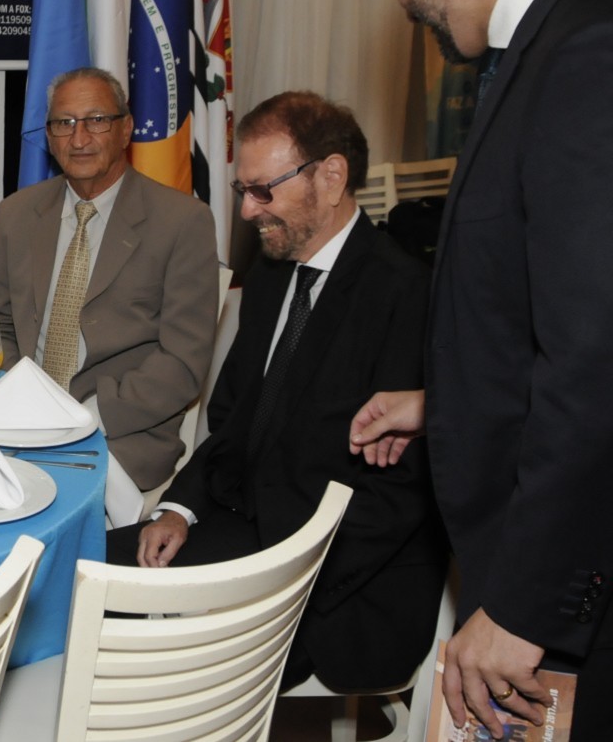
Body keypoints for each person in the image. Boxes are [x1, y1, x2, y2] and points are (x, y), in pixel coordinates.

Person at [350, 0, 613, 736]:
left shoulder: (587, 52)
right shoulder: (548, 42)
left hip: (557, 586)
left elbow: (596, 361)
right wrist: (444, 403)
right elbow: (537, 305)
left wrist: (526, 604)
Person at [108, 91, 445, 690]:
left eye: (263, 190)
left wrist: (276, 583)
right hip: (244, 525)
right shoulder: (272, 276)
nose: (246, 211)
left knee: (147, 675)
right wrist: (179, 509)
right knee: (77, 581)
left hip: (336, 577)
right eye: (243, 190)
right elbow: (232, 421)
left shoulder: (406, 294)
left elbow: (398, 497)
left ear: (332, 177)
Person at [0, 67, 218, 525]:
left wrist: (83, 417)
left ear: (126, 129)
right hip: (23, 418)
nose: (79, 138)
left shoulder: (182, 222)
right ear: (49, 137)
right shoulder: (17, 213)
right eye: (64, 123)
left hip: (120, 430)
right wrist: (21, 399)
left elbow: (182, 364)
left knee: (31, 512)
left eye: (97, 120)